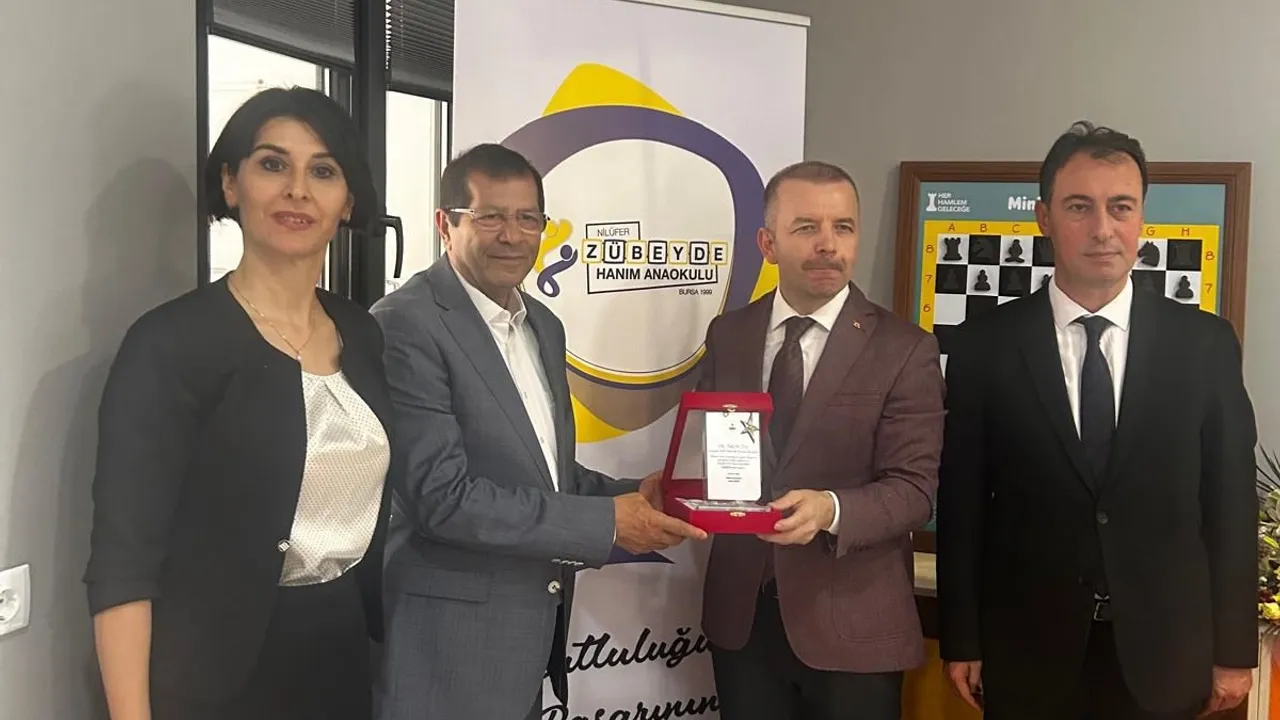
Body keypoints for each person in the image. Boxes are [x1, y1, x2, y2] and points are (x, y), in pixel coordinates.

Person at [83, 87, 394, 720]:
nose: (297, 190)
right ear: (231, 183)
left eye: (323, 171)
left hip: (338, 656)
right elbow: (123, 564)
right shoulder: (171, 343)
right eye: (273, 164)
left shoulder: (360, 331)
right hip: (208, 675)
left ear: (348, 202)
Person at [369, 142, 708, 720]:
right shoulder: (405, 324)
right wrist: (608, 522)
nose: (512, 235)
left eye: (528, 218)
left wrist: (636, 496)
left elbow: (542, 469)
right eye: (490, 217)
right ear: (445, 225)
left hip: (525, 643)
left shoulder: (542, 325)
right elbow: (441, 498)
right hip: (444, 648)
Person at [936, 121, 1258, 719]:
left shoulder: (1205, 345)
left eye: (1121, 207)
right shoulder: (984, 345)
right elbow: (962, 506)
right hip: (1027, 653)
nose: (1103, 229)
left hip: (1166, 657)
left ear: (1142, 219)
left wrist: (1235, 649)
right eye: (1079, 207)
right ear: (1044, 217)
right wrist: (961, 638)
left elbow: (1231, 507)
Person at [694, 160, 946, 720]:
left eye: (843, 227)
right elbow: (719, 453)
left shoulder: (905, 348)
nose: (828, 244)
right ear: (768, 243)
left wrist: (831, 510)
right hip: (743, 621)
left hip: (854, 627)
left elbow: (914, 491)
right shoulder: (729, 335)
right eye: (807, 227)